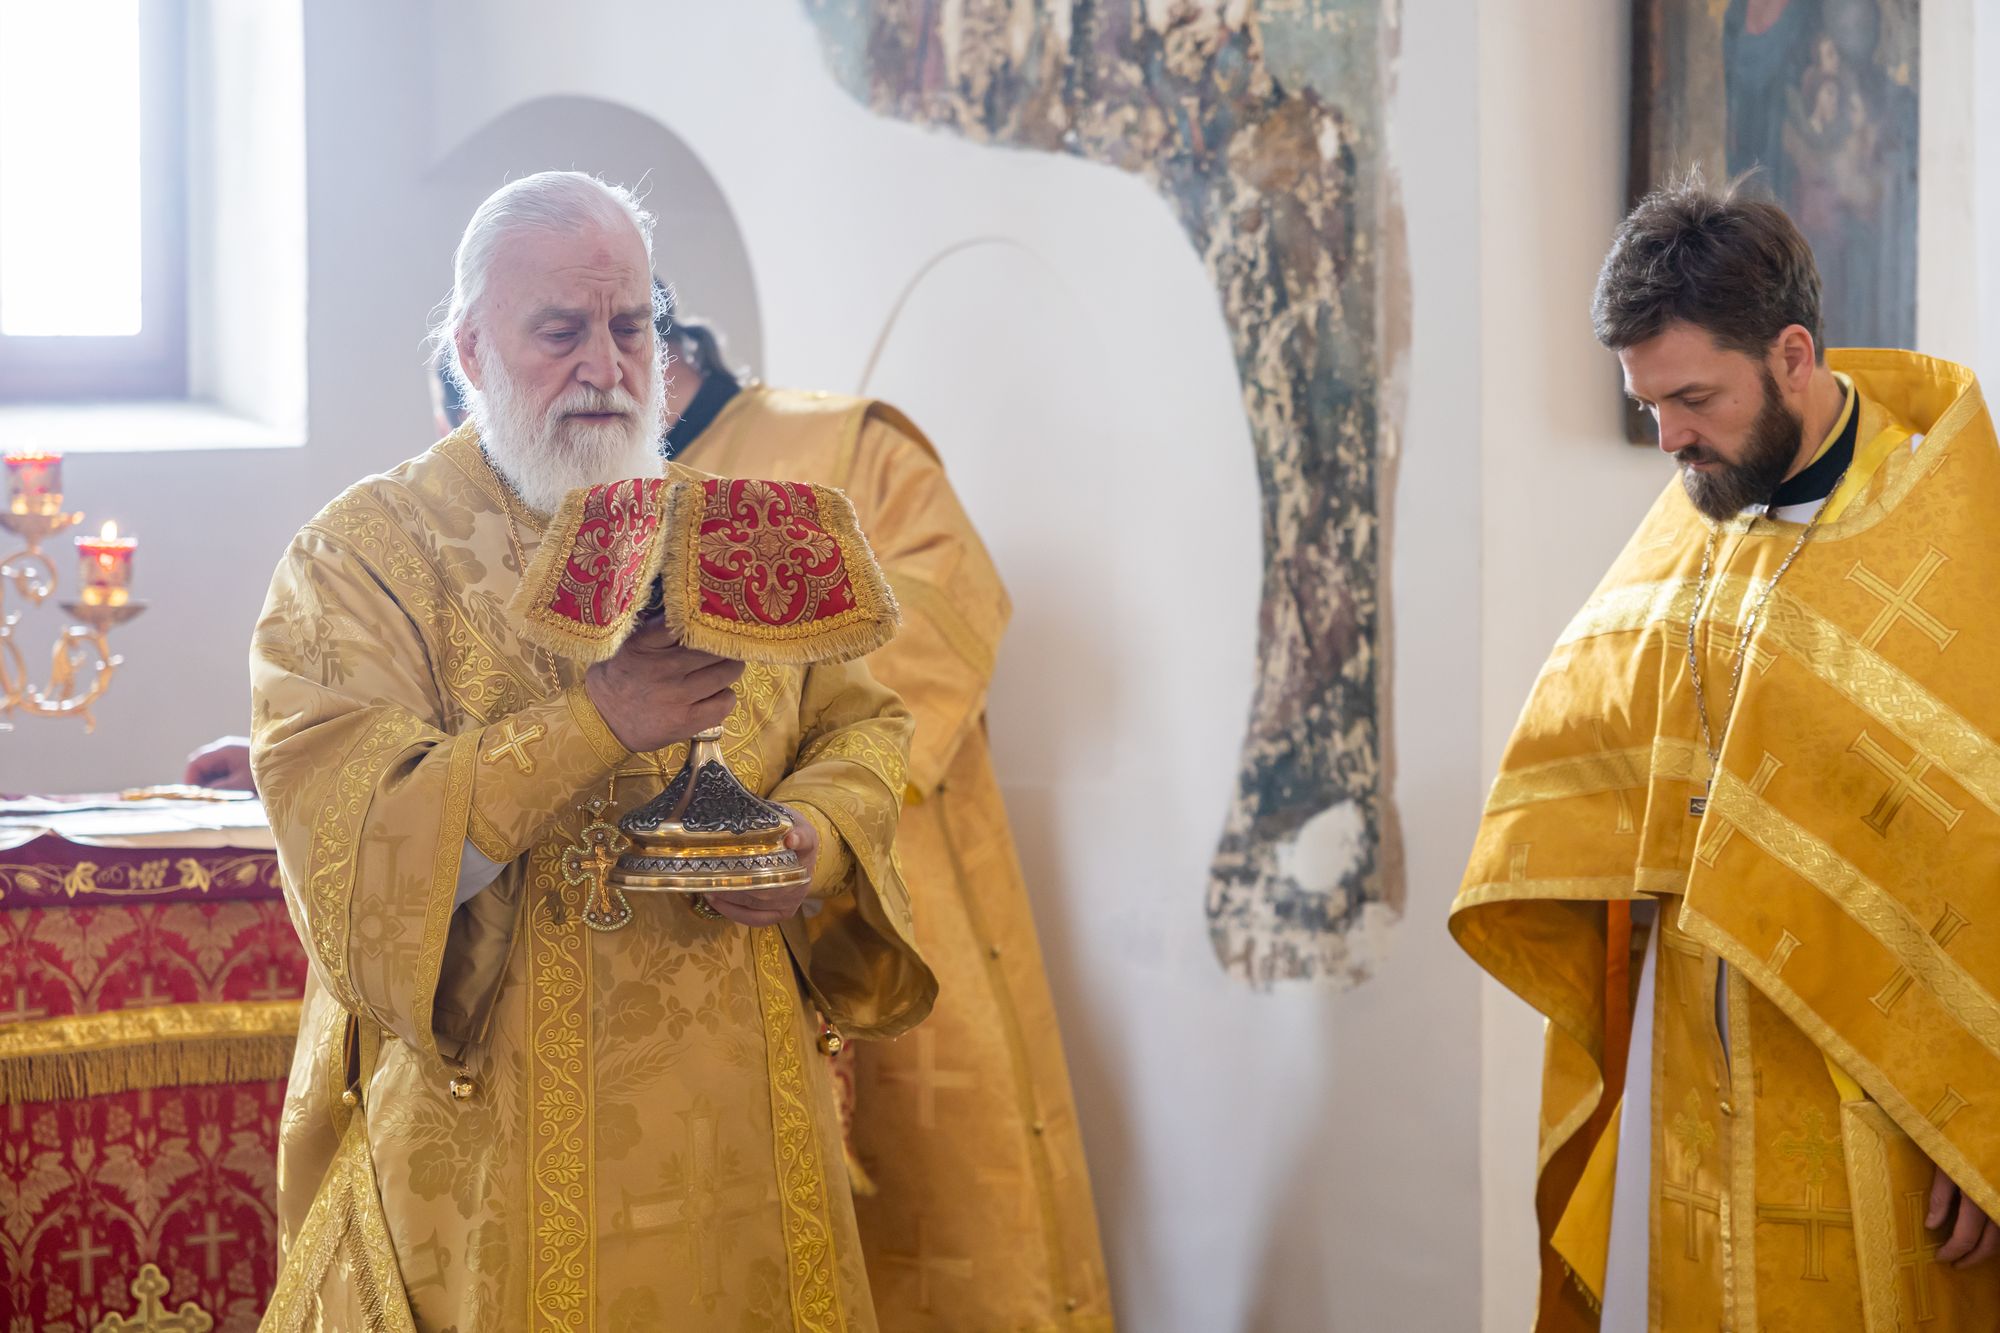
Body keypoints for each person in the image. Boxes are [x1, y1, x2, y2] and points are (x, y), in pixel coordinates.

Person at [251, 171, 933, 1329]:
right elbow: (352, 847)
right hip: (497, 1150)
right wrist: (596, 722)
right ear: (472, 350)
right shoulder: (359, 560)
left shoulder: (739, 526)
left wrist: (809, 841)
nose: (606, 367)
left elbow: (861, 725)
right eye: (560, 332)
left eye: (630, 327)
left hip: (746, 1133)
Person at [1452, 179, 2000, 1328]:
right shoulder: (1697, 510)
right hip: (1685, 1081)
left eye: (1691, 397)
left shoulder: (1947, 544)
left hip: (1877, 1092)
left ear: (1791, 355)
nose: (1667, 439)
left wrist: (1982, 1113)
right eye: (1647, 404)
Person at [660, 296, 1113, 1329]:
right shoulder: (578, 507)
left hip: (875, 888)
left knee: (936, 1219)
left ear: (655, 336)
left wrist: (742, 741)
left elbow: (949, 604)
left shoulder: (842, 446)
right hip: (684, 962)